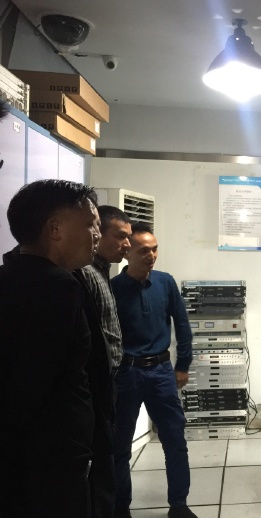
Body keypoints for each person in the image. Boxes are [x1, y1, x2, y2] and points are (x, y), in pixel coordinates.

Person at [0, 179, 101, 518]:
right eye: (89, 224)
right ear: (55, 229)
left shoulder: (10, 276)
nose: (96, 235)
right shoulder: (57, 288)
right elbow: (35, 380)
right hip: (50, 459)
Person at [111, 222, 196, 518]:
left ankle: (179, 505)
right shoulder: (113, 289)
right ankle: (121, 506)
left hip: (161, 371)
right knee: (120, 446)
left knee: (175, 440)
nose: (152, 256)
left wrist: (182, 365)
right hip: (127, 373)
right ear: (127, 253)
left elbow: (182, 325)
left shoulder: (165, 282)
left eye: (155, 249)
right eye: (144, 251)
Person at [74, 205, 133, 518]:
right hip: (97, 385)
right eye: (120, 236)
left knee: (109, 453)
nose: (127, 244)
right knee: (104, 458)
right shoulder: (85, 274)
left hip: (108, 380)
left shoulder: (100, 271)